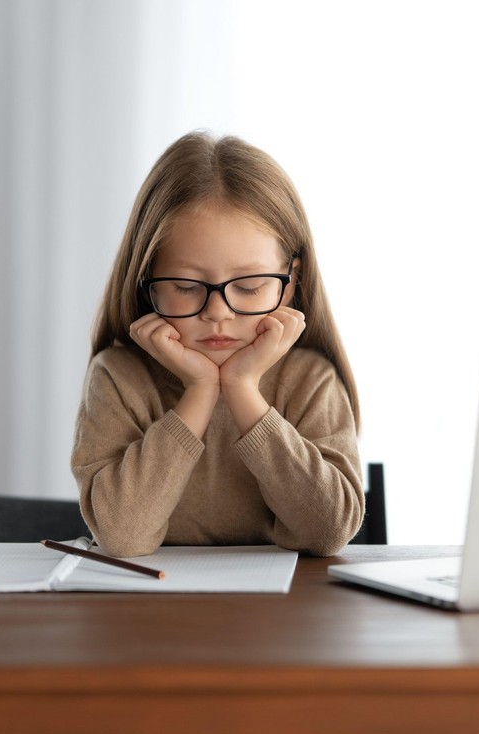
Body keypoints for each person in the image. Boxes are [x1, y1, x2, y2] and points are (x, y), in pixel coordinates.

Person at [71, 131, 363, 558]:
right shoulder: (118, 376)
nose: (218, 312)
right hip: (150, 613)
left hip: (284, 615)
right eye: (187, 286)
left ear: (290, 281)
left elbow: (328, 531)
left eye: (248, 286)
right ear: (146, 279)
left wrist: (243, 390)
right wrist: (201, 391)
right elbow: (123, 536)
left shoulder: (310, 379)